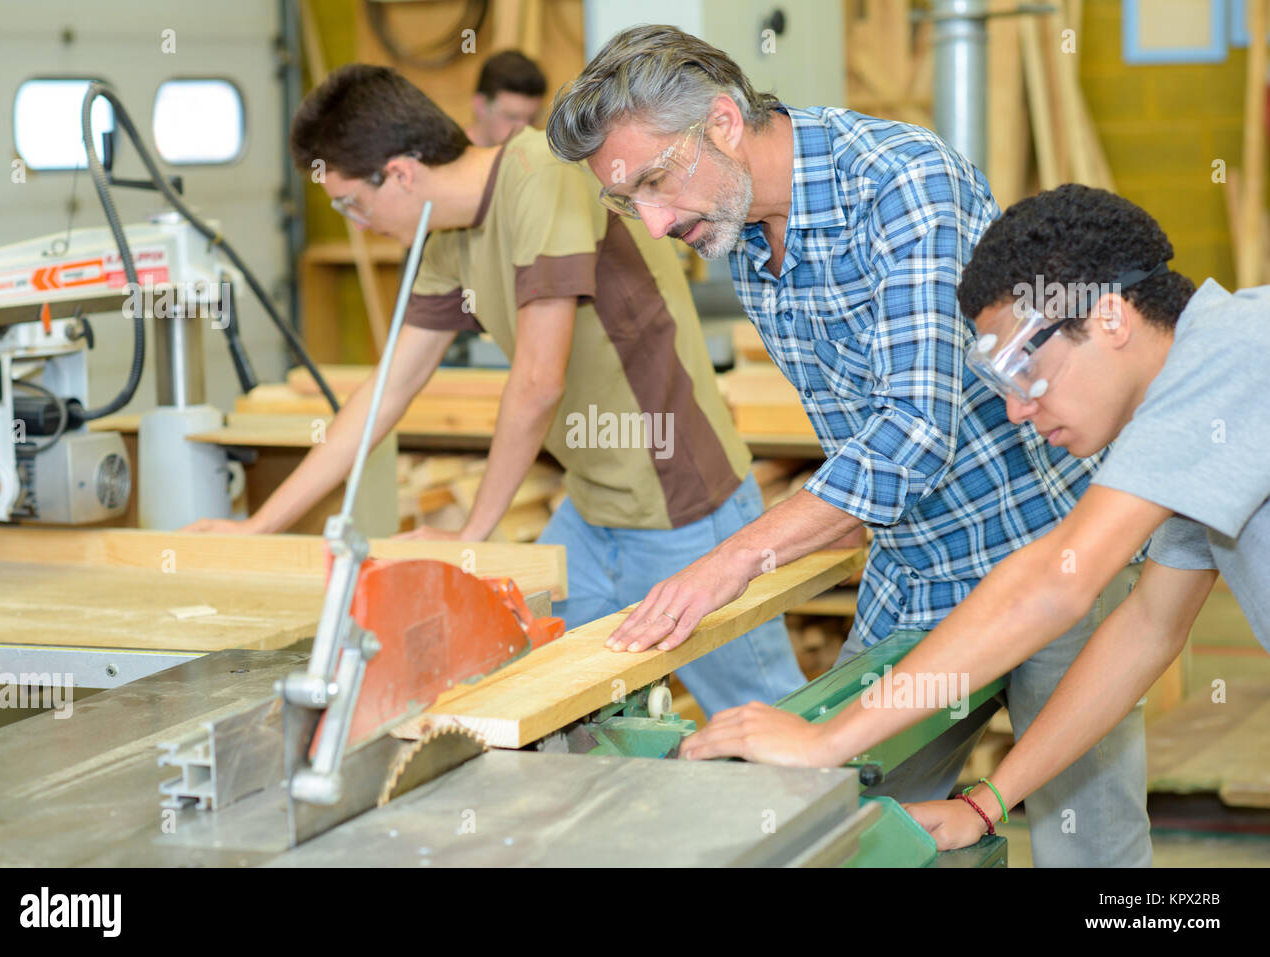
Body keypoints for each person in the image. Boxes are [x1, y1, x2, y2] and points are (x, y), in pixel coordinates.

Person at [546, 24, 1150, 865]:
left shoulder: (901, 184)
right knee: (835, 822)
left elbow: (912, 431)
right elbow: (861, 439)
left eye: (653, 181)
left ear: (723, 121)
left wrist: (736, 556)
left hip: (1052, 554)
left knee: (1090, 843)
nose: (651, 223)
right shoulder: (744, 240)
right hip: (916, 575)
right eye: (626, 203)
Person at [182, 63, 805, 718]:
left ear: (398, 173)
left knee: (769, 716)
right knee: (532, 697)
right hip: (593, 514)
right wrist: (257, 527)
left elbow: (538, 382)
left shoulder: (543, 173)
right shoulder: (446, 238)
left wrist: (474, 531)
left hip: (689, 511)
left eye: (350, 203)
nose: (356, 223)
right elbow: (384, 393)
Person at [682, 185, 1269, 854]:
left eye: (1027, 368)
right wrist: (990, 801)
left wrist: (826, 740)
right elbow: (1145, 629)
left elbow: (1055, 581)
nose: (1018, 409)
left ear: (1109, 318)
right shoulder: (1186, 432)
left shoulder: (1234, 353)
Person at [466, 50, 546, 147]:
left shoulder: (529, 158)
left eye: (532, 119)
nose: (525, 131)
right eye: (512, 116)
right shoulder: (448, 160)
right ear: (480, 105)